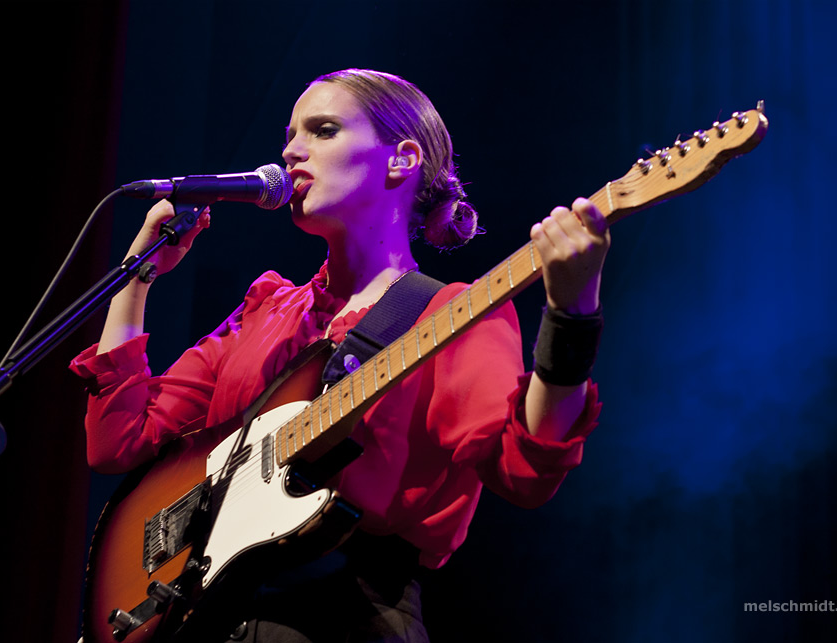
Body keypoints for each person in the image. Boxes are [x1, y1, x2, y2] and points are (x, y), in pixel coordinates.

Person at [70, 68, 610, 642]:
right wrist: (138, 277)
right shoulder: (270, 307)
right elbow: (116, 441)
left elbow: (524, 472)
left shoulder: (451, 315)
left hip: (348, 618)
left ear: (401, 160)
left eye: (322, 131)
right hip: (205, 617)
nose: (291, 152)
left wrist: (571, 315)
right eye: (289, 136)